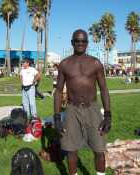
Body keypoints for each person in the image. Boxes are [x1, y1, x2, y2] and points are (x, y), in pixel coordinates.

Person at [53, 29, 111, 175]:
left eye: (83, 41)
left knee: (99, 149)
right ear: (72, 42)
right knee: (71, 150)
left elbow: (104, 89)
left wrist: (108, 115)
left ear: (87, 43)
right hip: (72, 110)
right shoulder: (64, 64)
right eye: (77, 41)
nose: (80, 43)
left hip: (92, 109)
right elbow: (59, 91)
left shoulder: (95, 63)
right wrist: (57, 118)